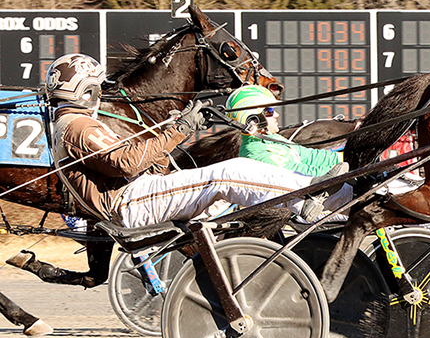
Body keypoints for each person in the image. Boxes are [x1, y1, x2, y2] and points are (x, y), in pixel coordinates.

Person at [38, 54, 347, 229]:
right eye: (98, 87)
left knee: (232, 175)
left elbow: (126, 159)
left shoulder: (72, 124)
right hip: (130, 202)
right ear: (87, 92)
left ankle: (320, 192)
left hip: (136, 195)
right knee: (230, 172)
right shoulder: (78, 125)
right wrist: (180, 129)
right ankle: (309, 195)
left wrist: (173, 129)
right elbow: (126, 161)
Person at [224, 84, 351, 218]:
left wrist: (350, 158)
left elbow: (312, 157)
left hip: (327, 193)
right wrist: (349, 169)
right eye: (270, 111)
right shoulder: (256, 153)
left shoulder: (272, 139)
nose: (277, 114)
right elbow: (302, 174)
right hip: (306, 208)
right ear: (253, 119)